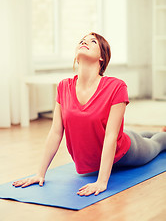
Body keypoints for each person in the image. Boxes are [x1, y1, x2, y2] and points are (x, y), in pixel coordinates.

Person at [12, 32, 166, 196]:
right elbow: (56, 133)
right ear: (77, 57)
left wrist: (101, 182)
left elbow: (111, 136)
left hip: (123, 151)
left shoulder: (117, 87)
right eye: (82, 41)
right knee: (142, 135)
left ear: (102, 57)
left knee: (156, 145)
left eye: (92, 41)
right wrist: (40, 173)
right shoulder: (64, 87)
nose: (84, 42)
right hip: (104, 141)